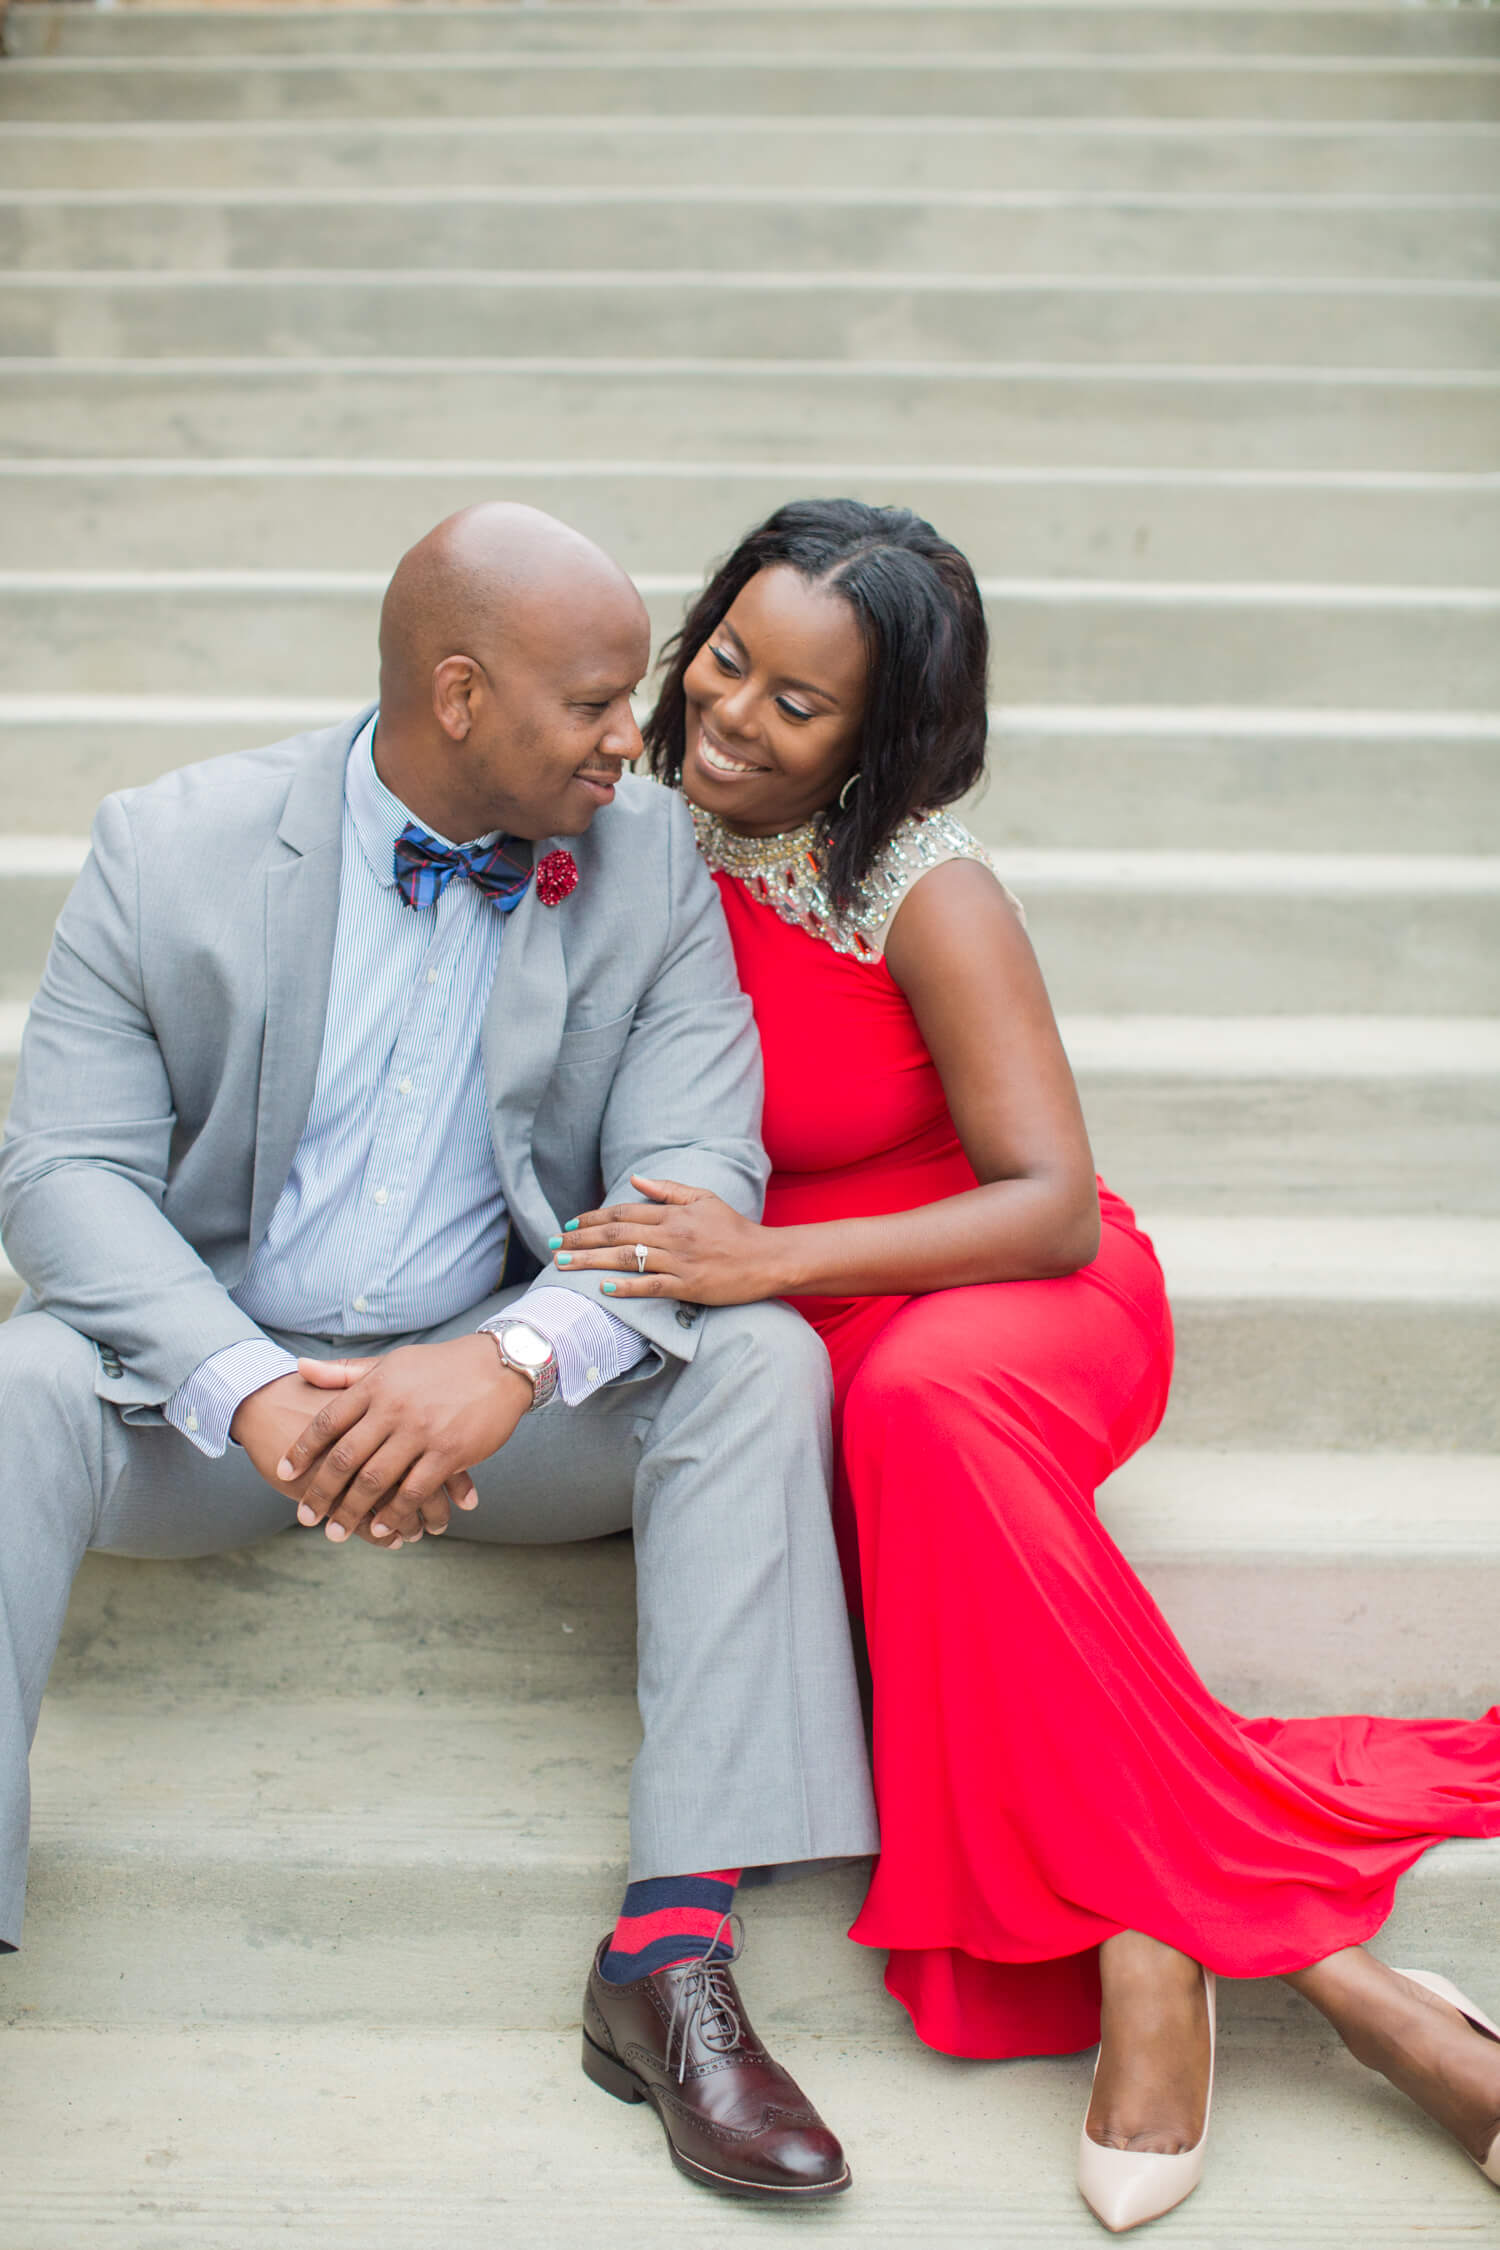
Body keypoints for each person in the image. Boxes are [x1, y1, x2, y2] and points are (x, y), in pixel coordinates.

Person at [548, 499, 1500, 2233]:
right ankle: (1309, 1974)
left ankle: (1196, 1976)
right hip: (789, 1327)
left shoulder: (922, 884)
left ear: (882, 738)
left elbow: (1049, 1203)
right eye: (728, 659)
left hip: (1001, 1290)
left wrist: (766, 1259)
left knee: (916, 1404)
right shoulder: (615, 827)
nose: (732, 715)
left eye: (798, 703)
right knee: (878, 1425)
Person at [0, 503, 878, 2203]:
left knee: (762, 1359)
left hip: (494, 1415)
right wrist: (245, 1384)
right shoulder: (169, 847)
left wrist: (514, 1358)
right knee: (18, 1386)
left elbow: (695, 1174)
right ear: (459, 694)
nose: (646, 737)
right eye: (598, 702)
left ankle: (673, 1953)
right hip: (208, 1400)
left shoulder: (652, 871)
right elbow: (62, 1174)